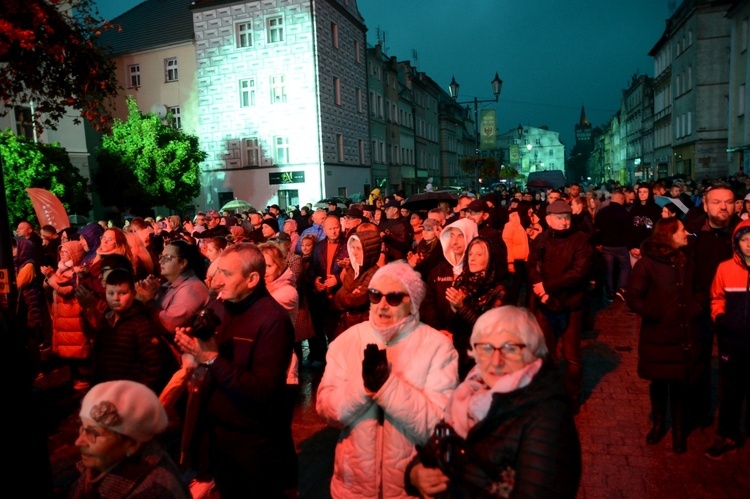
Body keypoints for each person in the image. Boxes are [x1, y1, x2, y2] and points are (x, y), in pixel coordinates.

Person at [316, 261, 459, 498]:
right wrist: (363, 387)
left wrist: (388, 388)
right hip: (352, 488)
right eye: (374, 295)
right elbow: (327, 410)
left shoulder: (438, 348)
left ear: (412, 303)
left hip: (409, 490)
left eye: (393, 298)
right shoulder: (346, 342)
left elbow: (438, 425)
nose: (382, 305)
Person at [406, 306, 582, 498]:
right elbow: (432, 450)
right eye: (486, 348)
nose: (496, 361)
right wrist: (415, 474)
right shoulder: (469, 395)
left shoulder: (548, 415)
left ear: (532, 353)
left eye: (510, 348)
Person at [173, 243, 297, 498]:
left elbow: (262, 391)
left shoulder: (272, 320)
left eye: (226, 275)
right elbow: (207, 347)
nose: (217, 281)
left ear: (252, 279)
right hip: (219, 435)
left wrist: (210, 358)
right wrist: (193, 340)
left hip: (254, 444)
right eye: (217, 272)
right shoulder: (222, 306)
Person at [626, 218, 702, 454]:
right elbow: (633, 296)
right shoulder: (647, 264)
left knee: (680, 384)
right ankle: (659, 425)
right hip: (658, 333)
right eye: (682, 230)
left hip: (683, 333)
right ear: (669, 235)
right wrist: (654, 312)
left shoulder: (687, 261)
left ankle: (679, 432)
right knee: (658, 383)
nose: (686, 233)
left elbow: (697, 289)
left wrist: (696, 307)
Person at [69, 380, 189, 499]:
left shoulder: (152, 492)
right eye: (81, 427)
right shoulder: (107, 462)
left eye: (93, 434)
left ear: (132, 444)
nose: (78, 442)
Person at [527, 200, 593, 414]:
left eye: (566, 217)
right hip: (545, 303)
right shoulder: (541, 239)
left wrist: (547, 286)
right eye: (559, 218)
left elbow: (578, 272)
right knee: (547, 353)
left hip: (571, 304)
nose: (564, 222)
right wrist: (540, 289)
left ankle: (573, 394)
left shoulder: (581, 241)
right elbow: (532, 264)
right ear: (548, 219)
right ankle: (550, 394)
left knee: (572, 355)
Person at [705, 219, 750, 459]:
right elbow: (716, 297)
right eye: (744, 239)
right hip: (732, 339)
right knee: (731, 391)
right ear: (736, 242)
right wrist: (719, 315)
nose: (749, 244)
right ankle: (727, 434)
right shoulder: (725, 268)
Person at [91, 268, 175, 393]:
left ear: (134, 294)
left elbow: (154, 365)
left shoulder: (141, 324)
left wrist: (138, 394)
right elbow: (98, 358)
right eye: (111, 293)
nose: (116, 298)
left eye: (122, 293)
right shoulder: (106, 320)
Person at [420, 218, 479, 379]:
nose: (455, 241)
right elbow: (428, 301)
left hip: (468, 345)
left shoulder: (478, 273)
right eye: (451, 236)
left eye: (460, 236)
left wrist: (457, 336)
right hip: (440, 337)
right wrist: (438, 330)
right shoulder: (440, 270)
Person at [41, 240, 91, 390]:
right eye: (61, 251)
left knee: (78, 348)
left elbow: (66, 290)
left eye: (66, 251)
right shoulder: (60, 268)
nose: (62, 254)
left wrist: (50, 276)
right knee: (68, 350)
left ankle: (84, 378)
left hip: (73, 315)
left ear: (74, 254)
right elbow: (52, 286)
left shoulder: (77, 271)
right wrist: (47, 279)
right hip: (63, 315)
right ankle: (74, 376)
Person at [136, 239, 210, 336]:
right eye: (161, 256)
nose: (160, 261)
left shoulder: (191, 288)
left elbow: (168, 326)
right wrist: (154, 291)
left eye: (167, 257)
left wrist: (148, 300)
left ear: (183, 263)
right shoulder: (170, 284)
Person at [332, 229, 382, 339]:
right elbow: (338, 298)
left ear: (369, 251)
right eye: (353, 248)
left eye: (358, 248)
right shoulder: (353, 269)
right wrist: (347, 295)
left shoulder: (375, 273)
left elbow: (356, 300)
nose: (354, 252)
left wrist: (345, 295)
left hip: (365, 328)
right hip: (349, 324)